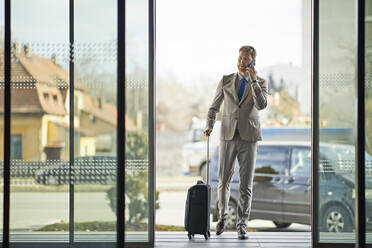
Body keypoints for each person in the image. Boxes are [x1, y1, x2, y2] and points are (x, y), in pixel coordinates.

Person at [204, 45, 268, 239]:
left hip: (249, 138)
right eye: (240, 58)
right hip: (228, 136)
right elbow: (214, 107)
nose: (242, 62)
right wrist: (210, 125)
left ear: (253, 62)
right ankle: (222, 218)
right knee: (224, 180)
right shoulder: (225, 80)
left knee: (245, 184)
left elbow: (262, 104)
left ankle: (242, 225)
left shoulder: (261, 82)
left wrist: (254, 81)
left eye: (246, 59)